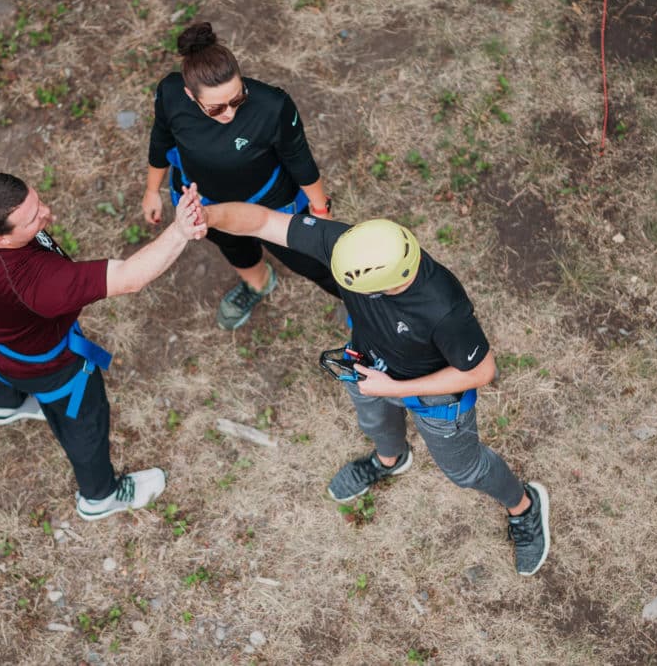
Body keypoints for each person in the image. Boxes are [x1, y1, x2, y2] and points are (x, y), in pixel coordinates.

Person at [198, 198, 551, 576]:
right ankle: (390, 460)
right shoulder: (352, 247)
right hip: (368, 368)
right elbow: (265, 221)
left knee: (465, 471)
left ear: (382, 286)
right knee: (377, 427)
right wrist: (208, 216)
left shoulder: (442, 308)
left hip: (434, 397)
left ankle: (525, 507)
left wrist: (394, 388)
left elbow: (481, 371)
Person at [0, 173, 205, 520]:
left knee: (1, 366)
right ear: (0, 239)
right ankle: (100, 496)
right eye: (33, 218)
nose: (47, 213)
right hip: (45, 363)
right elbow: (129, 278)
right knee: (85, 423)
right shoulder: (36, 284)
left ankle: (4, 405)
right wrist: (181, 231)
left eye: (38, 201)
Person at [141, 22, 340, 330]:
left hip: (270, 202)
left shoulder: (273, 105)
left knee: (313, 262)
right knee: (233, 246)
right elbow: (161, 140)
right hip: (206, 201)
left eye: (237, 99)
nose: (230, 113)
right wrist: (152, 190)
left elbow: (299, 158)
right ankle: (259, 283)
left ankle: (362, 308)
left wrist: (320, 210)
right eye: (216, 108)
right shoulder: (169, 94)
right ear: (189, 95)